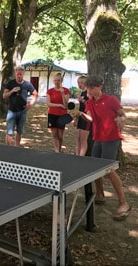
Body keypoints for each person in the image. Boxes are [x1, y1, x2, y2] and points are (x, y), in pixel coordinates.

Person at [76, 75, 131, 221]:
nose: (89, 90)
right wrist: (80, 114)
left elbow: (123, 115)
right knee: (95, 168)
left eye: (91, 88)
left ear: (99, 87)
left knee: (109, 170)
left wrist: (120, 119)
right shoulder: (89, 102)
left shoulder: (111, 100)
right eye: (88, 87)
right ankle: (100, 195)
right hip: (97, 138)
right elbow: (91, 119)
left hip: (111, 138)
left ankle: (123, 203)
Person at [3, 66, 38, 146]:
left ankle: (17, 148)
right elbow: (4, 96)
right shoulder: (11, 83)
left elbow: (35, 94)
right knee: (9, 132)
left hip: (22, 111)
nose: (19, 76)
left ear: (23, 74)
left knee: (19, 131)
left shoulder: (27, 84)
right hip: (12, 111)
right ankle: (8, 150)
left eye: (21, 74)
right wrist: (12, 91)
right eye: (18, 74)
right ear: (15, 74)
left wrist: (30, 104)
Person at [46, 73, 70, 152]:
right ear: (53, 81)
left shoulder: (66, 90)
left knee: (60, 134)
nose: (56, 82)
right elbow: (48, 103)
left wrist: (62, 93)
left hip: (62, 115)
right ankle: (57, 150)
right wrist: (59, 105)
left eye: (58, 80)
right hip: (52, 114)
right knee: (54, 133)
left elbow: (66, 104)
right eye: (55, 80)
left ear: (61, 81)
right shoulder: (50, 91)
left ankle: (59, 148)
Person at [74, 75, 91, 156]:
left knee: (83, 140)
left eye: (82, 83)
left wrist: (82, 100)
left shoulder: (88, 93)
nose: (79, 84)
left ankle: (81, 156)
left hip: (87, 117)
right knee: (78, 139)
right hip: (80, 117)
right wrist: (75, 119)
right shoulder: (82, 93)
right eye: (78, 82)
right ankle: (77, 155)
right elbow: (80, 108)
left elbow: (90, 106)